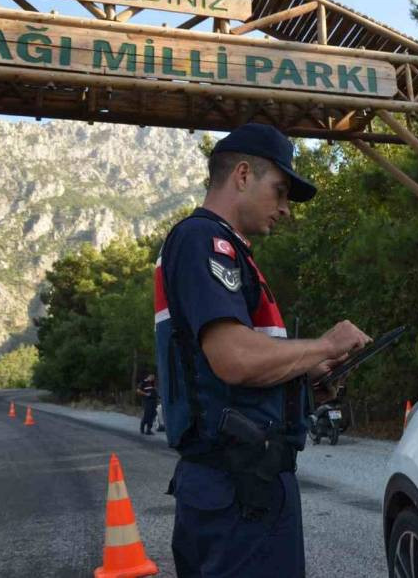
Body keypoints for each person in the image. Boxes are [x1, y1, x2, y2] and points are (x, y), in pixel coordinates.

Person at [153, 123, 370, 577]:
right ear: (244, 175)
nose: (286, 210)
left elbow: (229, 378)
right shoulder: (202, 240)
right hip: (236, 489)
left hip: (248, 485)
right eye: (280, 191)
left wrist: (309, 381)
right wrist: (324, 344)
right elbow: (234, 359)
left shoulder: (229, 250)